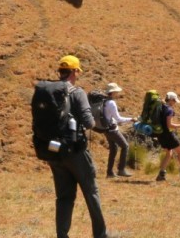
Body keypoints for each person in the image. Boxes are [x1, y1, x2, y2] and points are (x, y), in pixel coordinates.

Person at [48, 55, 111, 238]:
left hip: (54, 151)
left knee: (64, 197)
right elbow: (89, 122)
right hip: (76, 152)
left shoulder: (50, 91)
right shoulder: (77, 92)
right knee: (91, 193)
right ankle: (100, 235)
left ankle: (62, 235)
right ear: (75, 71)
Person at [154, 91, 180, 181]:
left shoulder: (161, 106)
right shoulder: (169, 110)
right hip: (168, 134)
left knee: (169, 153)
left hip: (160, 135)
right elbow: (169, 125)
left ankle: (161, 175)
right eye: (175, 101)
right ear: (171, 100)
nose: (175, 103)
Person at [102, 82, 134, 178]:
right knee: (125, 146)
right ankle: (121, 169)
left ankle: (110, 172)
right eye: (116, 91)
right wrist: (131, 119)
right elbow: (118, 118)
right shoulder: (111, 103)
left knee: (113, 149)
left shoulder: (104, 101)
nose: (117, 93)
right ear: (112, 92)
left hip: (106, 129)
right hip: (112, 130)